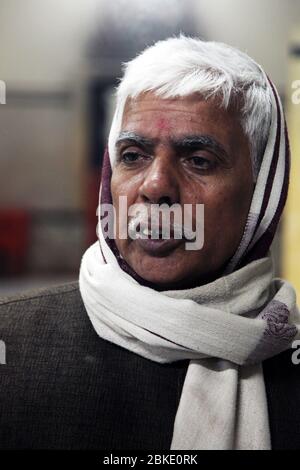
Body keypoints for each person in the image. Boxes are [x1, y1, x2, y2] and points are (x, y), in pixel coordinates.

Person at [0, 35, 300, 450]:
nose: (156, 185)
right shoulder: (12, 344)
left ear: (263, 191)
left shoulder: (289, 359)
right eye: (133, 155)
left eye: (199, 160)